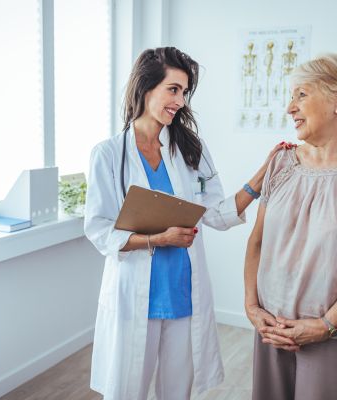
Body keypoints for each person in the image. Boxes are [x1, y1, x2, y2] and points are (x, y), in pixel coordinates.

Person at [84, 46, 286, 400]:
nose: (180, 100)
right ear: (146, 88)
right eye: (172, 89)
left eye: (184, 91)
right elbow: (99, 229)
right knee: (125, 391)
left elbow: (218, 214)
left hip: (182, 293)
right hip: (135, 297)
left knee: (177, 393)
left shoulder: (189, 149)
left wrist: (263, 173)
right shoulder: (108, 154)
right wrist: (157, 239)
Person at [244, 53, 337, 400]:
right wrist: (252, 307)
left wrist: (327, 325)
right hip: (270, 331)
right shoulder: (281, 163)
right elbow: (256, 242)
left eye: (301, 95)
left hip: (326, 338)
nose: (289, 108)